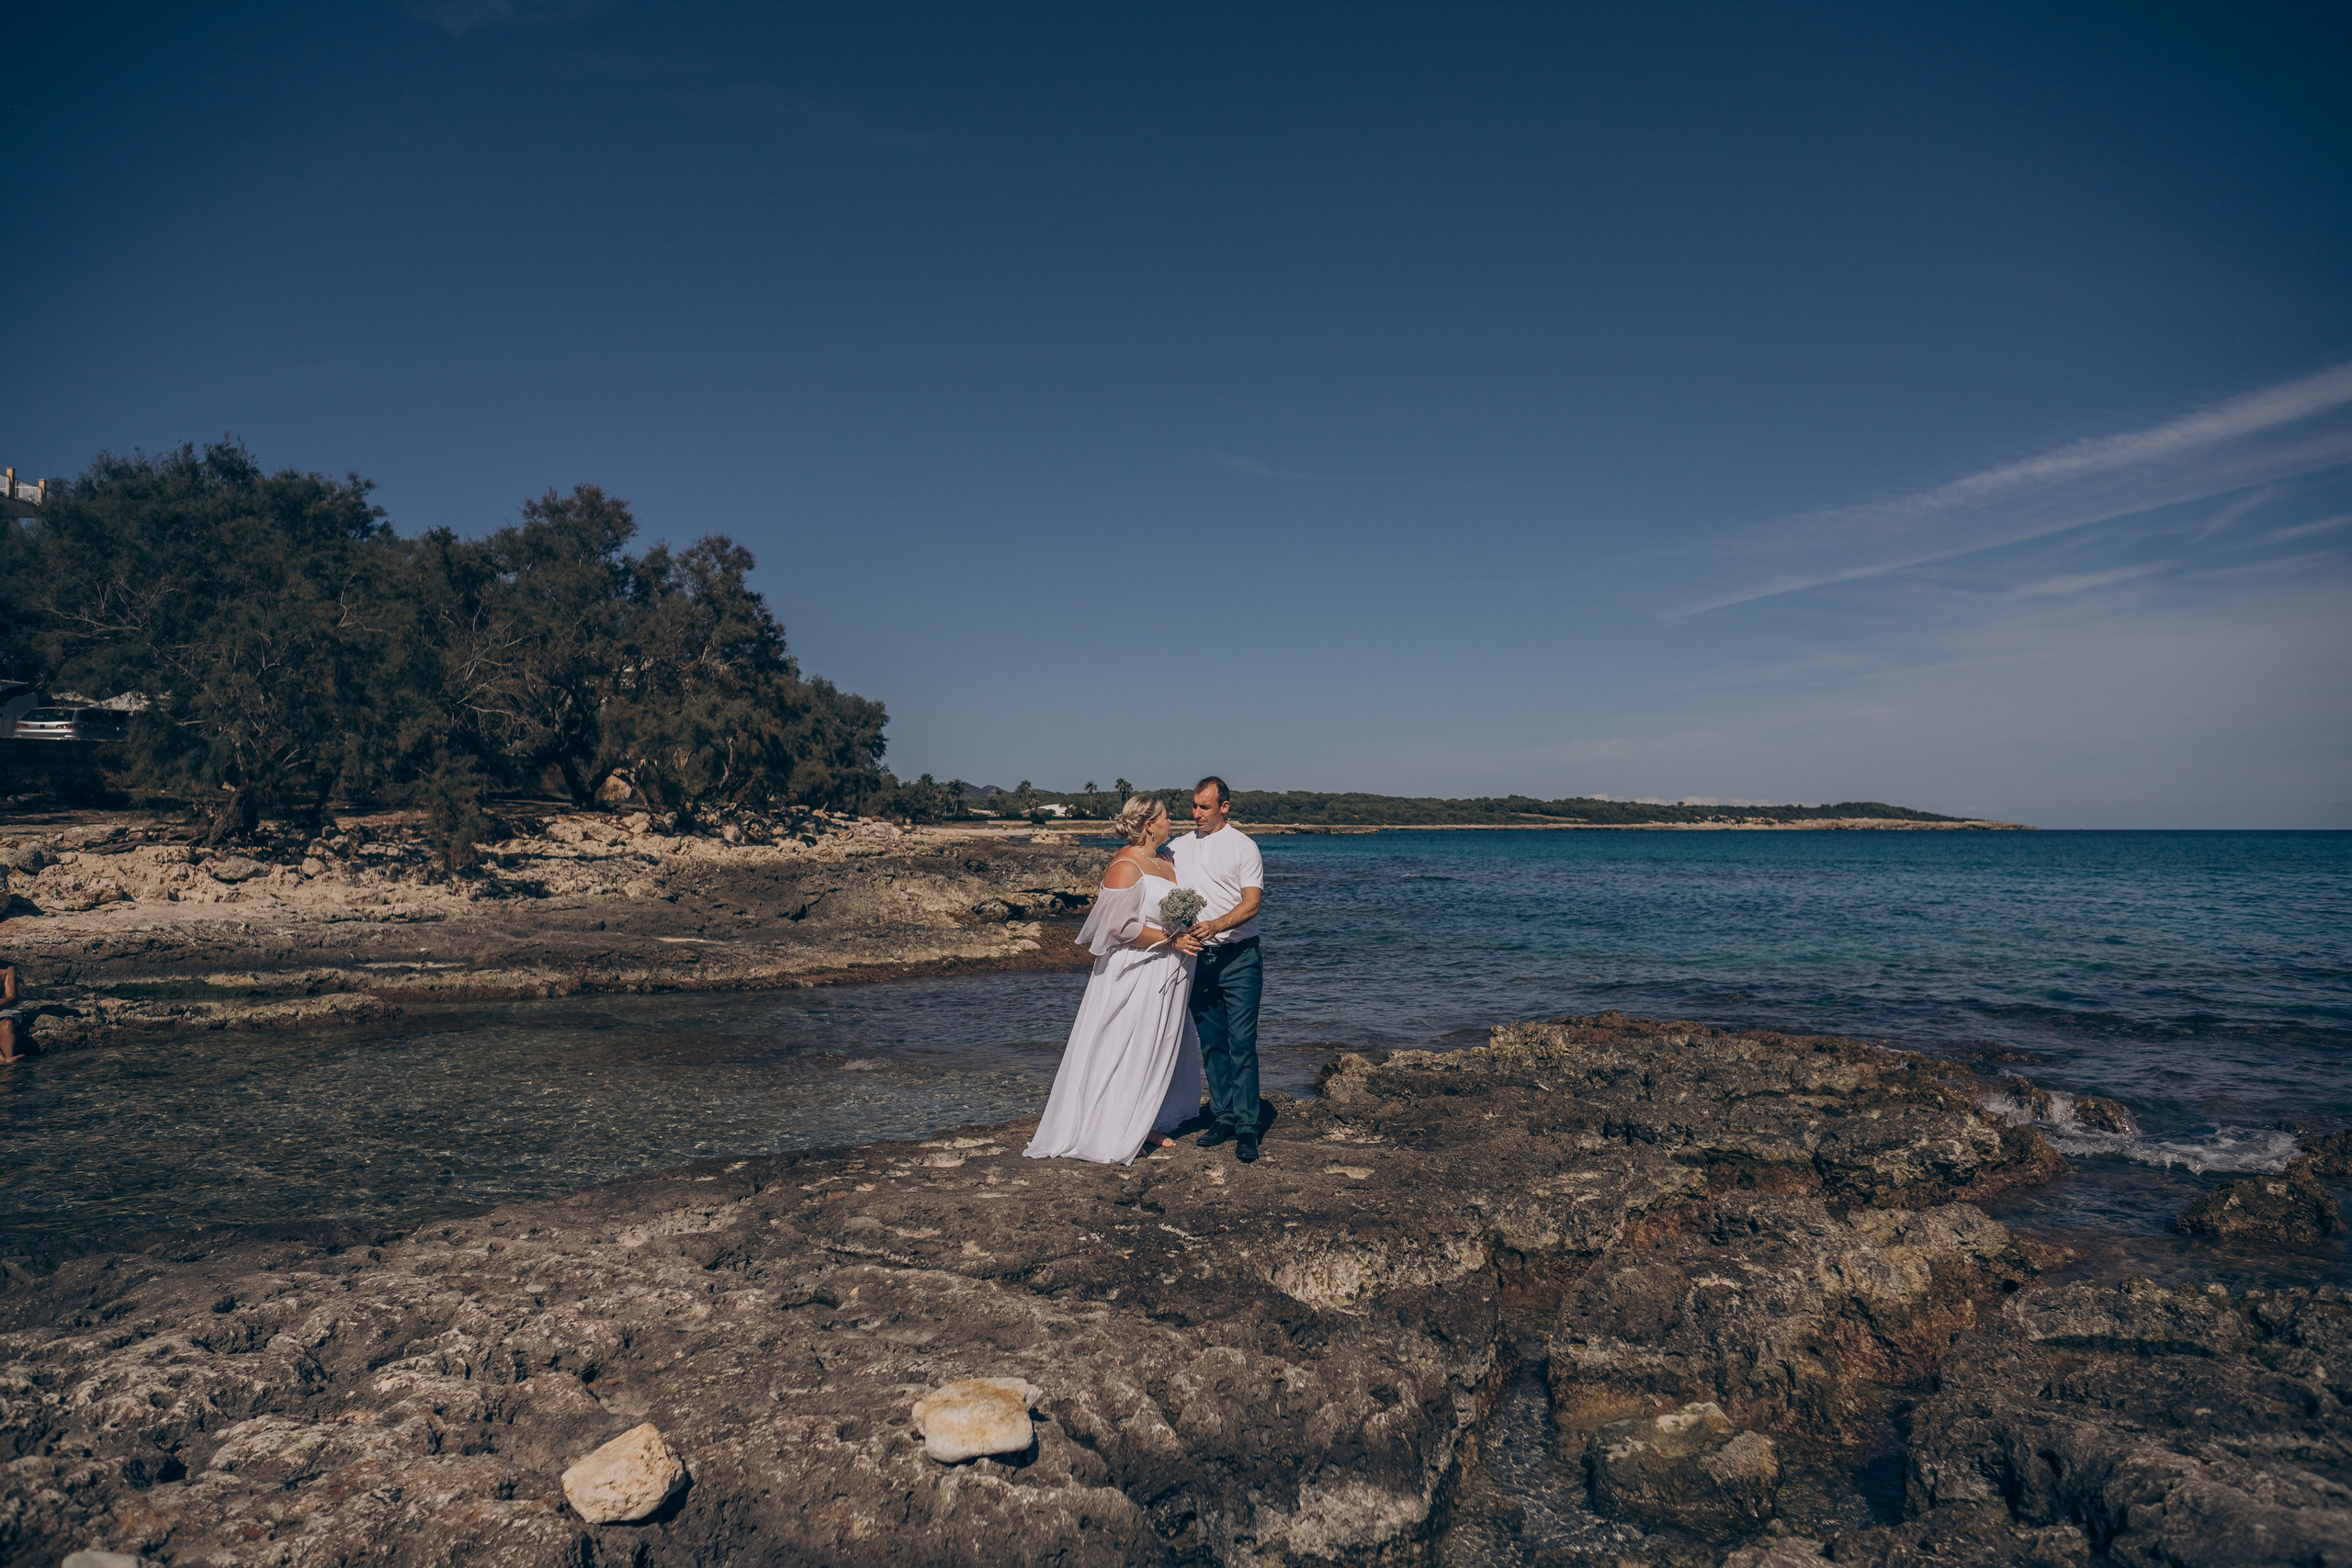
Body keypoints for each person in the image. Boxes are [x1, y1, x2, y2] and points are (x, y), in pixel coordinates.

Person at [1023, 795, 1205, 1164]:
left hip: (1171, 969)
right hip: (1136, 970)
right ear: (1150, 824)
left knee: (1157, 1046)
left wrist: (1187, 930)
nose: (1173, 821)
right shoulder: (1125, 865)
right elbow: (1115, 929)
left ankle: (1144, 1121)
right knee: (1126, 1044)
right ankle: (1113, 1129)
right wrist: (1170, 939)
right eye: (1167, 817)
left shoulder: (1166, 859)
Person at [1170, 775, 1266, 1162]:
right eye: (1194, 806)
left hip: (1240, 958)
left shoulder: (1245, 847)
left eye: (1204, 807)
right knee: (1211, 1044)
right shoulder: (1177, 847)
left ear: (1223, 807)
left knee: (1242, 1044)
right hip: (1198, 961)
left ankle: (1247, 1128)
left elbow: (1252, 904)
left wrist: (1216, 925)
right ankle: (1223, 1117)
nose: (1196, 814)